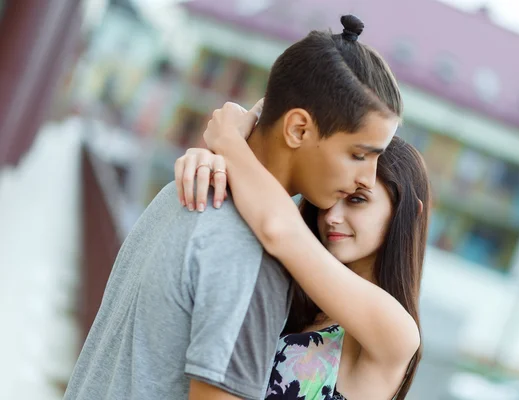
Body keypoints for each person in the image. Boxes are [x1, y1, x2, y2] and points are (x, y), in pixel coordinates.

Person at [64, 15, 403, 400]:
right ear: (299, 129)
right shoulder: (249, 254)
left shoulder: (182, 190)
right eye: (359, 154)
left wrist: (232, 136)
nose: (365, 176)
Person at [174, 104, 430, 399]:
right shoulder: (290, 292)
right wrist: (211, 164)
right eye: (332, 197)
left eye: (357, 200)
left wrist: (229, 142)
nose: (332, 216)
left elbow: (277, 228)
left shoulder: (396, 331)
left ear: (408, 213)